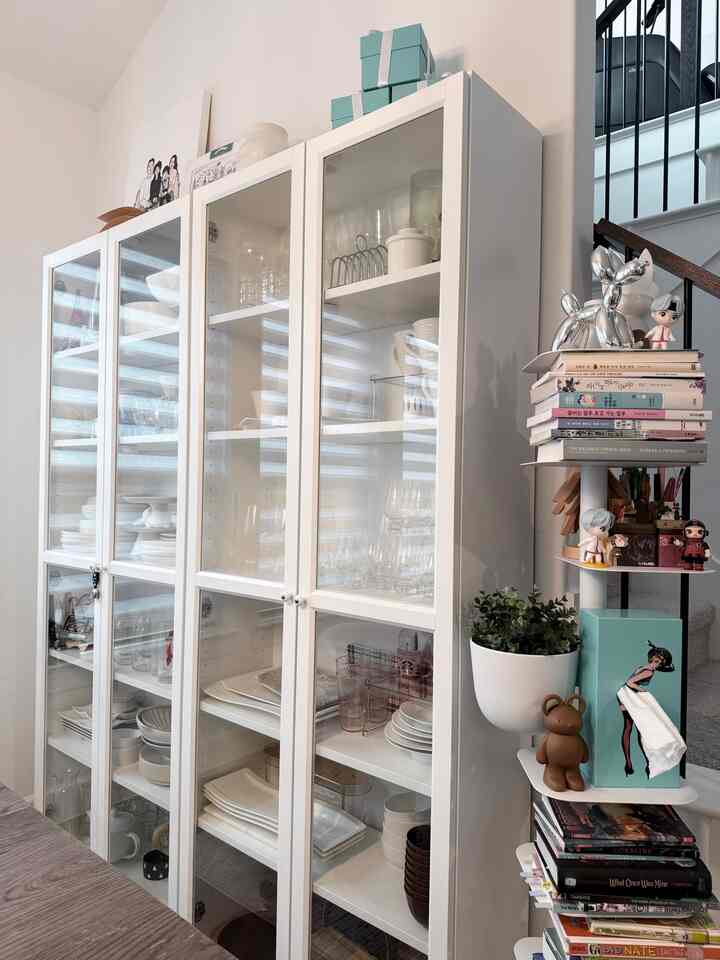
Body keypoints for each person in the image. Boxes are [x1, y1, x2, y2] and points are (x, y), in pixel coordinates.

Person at [618, 642, 675, 777]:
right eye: (656, 660)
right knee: (637, 730)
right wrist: (642, 690)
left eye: (660, 662)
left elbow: (629, 680)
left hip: (625, 697)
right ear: (652, 658)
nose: (657, 662)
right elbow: (629, 682)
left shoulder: (643, 668)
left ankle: (630, 763)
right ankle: (645, 762)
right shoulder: (648, 671)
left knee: (629, 728)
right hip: (631, 698)